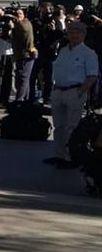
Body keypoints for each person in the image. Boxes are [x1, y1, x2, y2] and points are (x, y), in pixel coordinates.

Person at [44, 20, 99, 168]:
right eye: (71, 31)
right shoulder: (63, 50)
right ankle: (59, 155)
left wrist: (82, 91)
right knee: (59, 126)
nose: (73, 34)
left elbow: (92, 75)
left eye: (77, 32)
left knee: (71, 127)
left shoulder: (88, 53)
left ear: (83, 34)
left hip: (75, 91)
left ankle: (70, 158)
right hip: (58, 90)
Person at [11, 7, 37, 103]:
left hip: (28, 54)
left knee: (23, 78)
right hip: (19, 55)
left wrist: (16, 22)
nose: (18, 16)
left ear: (24, 15)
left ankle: (19, 100)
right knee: (20, 78)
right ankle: (26, 99)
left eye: (20, 14)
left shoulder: (26, 23)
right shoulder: (16, 25)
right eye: (16, 14)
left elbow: (25, 29)